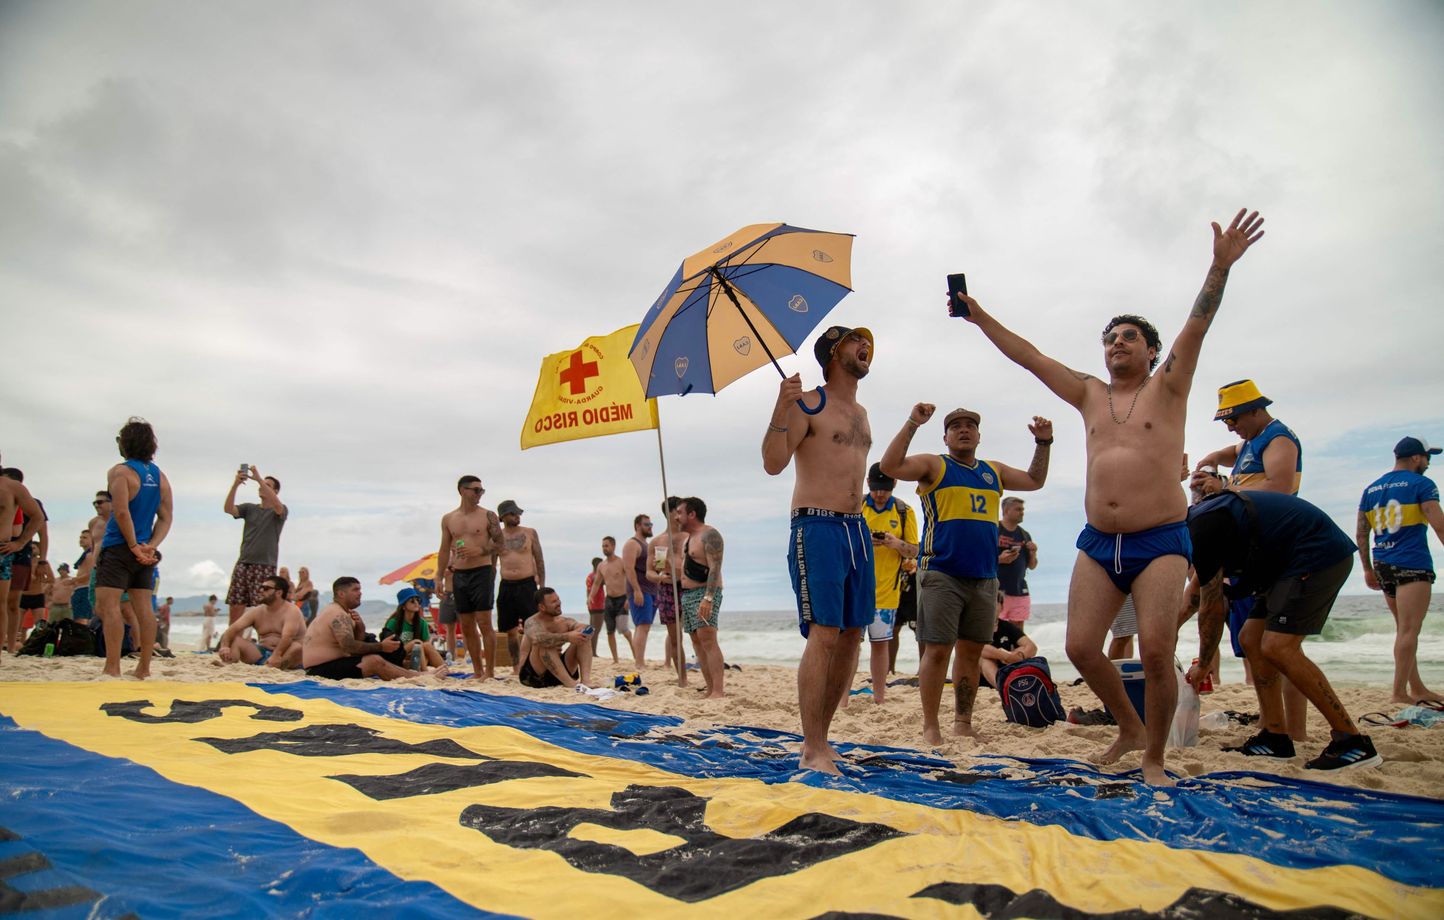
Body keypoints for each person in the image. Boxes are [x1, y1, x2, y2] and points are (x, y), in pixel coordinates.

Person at [960, 208, 1266, 784]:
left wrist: (1219, 267)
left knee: (1154, 648)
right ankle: (1127, 726)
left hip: (1160, 539)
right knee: (1080, 647)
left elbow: (1196, 326)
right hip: (1099, 541)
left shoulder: (1168, 386)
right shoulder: (1089, 393)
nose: (1116, 344)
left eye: (1128, 337)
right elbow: (1028, 355)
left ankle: (1153, 754)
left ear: (1150, 351)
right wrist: (978, 316)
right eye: (1109, 339)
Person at [881, 406, 1052, 744]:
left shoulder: (994, 471)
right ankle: (931, 726)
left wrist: (1043, 443)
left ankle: (963, 723)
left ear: (978, 435)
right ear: (945, 437)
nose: (963, 430)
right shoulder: (935, 465)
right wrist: (913, 423)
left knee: (971, 653)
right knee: (938, 651)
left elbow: (1035, 480)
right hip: (941, 573)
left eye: (970, 426)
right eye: (955, 426)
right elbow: (890, 467)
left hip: (985, 576)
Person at [1187, 489, 1380, 770]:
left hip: (1317, 555)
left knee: (1278, 646)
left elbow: (1211, 609)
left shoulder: (1200, 530)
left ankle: (1351, 740)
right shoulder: (1197, 522)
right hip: (1281, 569)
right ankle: (1275, 737)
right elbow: (1191, 601)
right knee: (1251, 639)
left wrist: (1204, 665)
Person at [762, 325, 875, 774]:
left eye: (868, 343)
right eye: (855, 342)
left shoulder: (862, 412)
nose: (865, 348)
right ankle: (811, 747)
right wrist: (781, 405)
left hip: (856, 528)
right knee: (825, 633)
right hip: (817, 525)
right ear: (832, 353)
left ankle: (824, 738)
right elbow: (773, 463)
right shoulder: (810, 402)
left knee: (852, 636)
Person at [1196, 379, 1308, 737]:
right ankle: (1271, 722)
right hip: (1259, 552)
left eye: (1234, 418)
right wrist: (1211, 461)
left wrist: (1226, 487)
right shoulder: (1248, 442)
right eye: (1225, 420)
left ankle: (1298, 731)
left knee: (1283, 647)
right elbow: (1227, 453)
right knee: (1255, 642)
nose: (1231, 426)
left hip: (1284, 548)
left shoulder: (1279, 439)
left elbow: (1279, 486)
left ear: (1257, 410)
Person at [1358, 437, 1444, 704]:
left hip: (1383, 562)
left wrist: (1367, 569)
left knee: (1404, 630)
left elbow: (1362, 533)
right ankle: (1398, 693)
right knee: (1409, 631)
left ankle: (1416, 688)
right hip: (1412, 562)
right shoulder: (1422, 484)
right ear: (1416, 457)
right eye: (1427, 457)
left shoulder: (1372, 488)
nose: (1428, 463)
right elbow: (1439, 525)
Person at [94, 417, 174, 679]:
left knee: (109, 607)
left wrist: (133, 546)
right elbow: (166, 517)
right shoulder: (159, 475)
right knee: (144, 610)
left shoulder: (120, 472)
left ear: (125, 443)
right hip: (144, 551)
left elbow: (120, 512)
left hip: (119, 547)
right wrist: (150, 546)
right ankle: (144, 668)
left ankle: (113, 667)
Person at [856, 462, 919, 704]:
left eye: (885, 488)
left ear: (894, 484)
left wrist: (895, 543)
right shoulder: (856, 506)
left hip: (888, 592)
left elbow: (914, 550)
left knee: (880, 644)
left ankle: (879, 697)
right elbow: (841, 542)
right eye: (875, 488)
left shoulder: (904, 511)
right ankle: (842, 698)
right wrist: (865, 541)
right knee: (850, 645)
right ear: (868, 484)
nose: (880, 494)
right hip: (857, 589)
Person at [435, 475, 503, 679]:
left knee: (484, 621)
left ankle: (489, 672)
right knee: (465, 624)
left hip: (481, 571)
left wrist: (481, 550)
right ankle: (477, 670)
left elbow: (500, 543)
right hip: (460, 573)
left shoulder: (488, 515)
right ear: (462, 490)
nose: (479, 494)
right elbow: (444, 549)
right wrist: (438, 576)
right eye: (476, 490)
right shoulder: (449, 519)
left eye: (482, 490)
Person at [302, 576, 416, 680]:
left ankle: (410, 672)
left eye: (360, 589)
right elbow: (349, 646)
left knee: (376, 656)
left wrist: (360, 628)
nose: (360, 593)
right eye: (355, 590)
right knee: (373, 661)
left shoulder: (343, 613)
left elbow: (355, 646)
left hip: (329, 665)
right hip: (318, 670)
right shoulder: (336, 613)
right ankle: (416, 677)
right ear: (341, 594)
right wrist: (382, 646)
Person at [673, 497, 725, 698]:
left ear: (692, 514)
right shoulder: (687, 539)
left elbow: (715, 567)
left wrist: (709, 598)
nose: (676, 517)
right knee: (696, 641)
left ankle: (718, 691)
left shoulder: (710, 535)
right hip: (687, 594)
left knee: (708, 639)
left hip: (705, 593)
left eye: (679, 512)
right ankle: (710, 688)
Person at [223, 466, 288, 625]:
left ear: (276, 492)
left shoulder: (279, 511)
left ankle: (263, 643)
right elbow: (228, 509)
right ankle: (232, 643)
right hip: (244, 562)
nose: (261, 487)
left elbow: (279, 508)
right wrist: (235, 485)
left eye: (268, 485)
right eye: (261, 485)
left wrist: (259, 478)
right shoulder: (249, 508)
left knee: (263, 606)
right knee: (236, 603)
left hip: (264, 564)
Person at [1, 468, 49, 653]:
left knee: (9, 603)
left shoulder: (13, 489)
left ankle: (10, 647)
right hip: (10, 550)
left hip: (9, 551)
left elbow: (40, 523)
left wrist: (21, 543)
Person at [495, 499, 545, 674]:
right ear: (503, 516)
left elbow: (539, 559)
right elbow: (492, 563)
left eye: (518, 513)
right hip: (506, 585)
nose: (517, 516)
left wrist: (542, 588)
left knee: (532, 627)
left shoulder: (530, 533)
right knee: (510, 631)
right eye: (513, 513)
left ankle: (531, 664)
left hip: (527, 584)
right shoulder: (497, 536)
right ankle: (516, 667)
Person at [215, 575, 304, 669]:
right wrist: (224, 646)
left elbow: (288, 637)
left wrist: (276, 655)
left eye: (266, 588)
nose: (261, 591)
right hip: (262, 654)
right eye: (260, 587)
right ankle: (228, 664)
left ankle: (275, 667)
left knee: (297, 647)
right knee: (236, 640)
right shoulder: (256, 611)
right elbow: (232, 629)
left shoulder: (292, 611)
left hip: (286, 656)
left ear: (278, 593)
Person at [645, 496, 688, 683]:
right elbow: (649, 572)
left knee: (698, 635)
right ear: (669, 513)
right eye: (677, 511)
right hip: (667, 588)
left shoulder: (689, 536)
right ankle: (683, 679)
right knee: (674, 638)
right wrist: (659, 576)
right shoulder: (657, 541)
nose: (679, 515)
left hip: (687, 586)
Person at [518, 586, 593, 689]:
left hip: (560, 673)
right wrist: (567, 636)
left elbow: (584, 627)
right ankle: (571, 684)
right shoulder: (532, 622)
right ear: (542, 607)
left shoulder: (564, 622)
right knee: (544, 643)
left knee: (584, 638)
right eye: (554, 602)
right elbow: (538, 638)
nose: (558, 603)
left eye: (558, 599)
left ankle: (586, 681)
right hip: (535, 674)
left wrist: (581, 633)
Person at [980, 591, 1040, 689]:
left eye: (995, 602)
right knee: (985, 659)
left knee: (1021, 650)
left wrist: (1020, 655)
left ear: (1002, 606)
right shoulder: (976, 626)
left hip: (1006, 671)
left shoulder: (1006, 626)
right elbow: (979, 648)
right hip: (981, 675)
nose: (992, 606)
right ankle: (1001, 687)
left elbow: (1032, 647)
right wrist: (1005, 656)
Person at [622, 512, 657, 668]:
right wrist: (636, 590)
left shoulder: (647, 545)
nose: (650, 527)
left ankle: (640, 661)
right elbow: (628, 568)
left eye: (651, 524)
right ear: (638, 526)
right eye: (647, 524)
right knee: (642, 626)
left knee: (645, 626)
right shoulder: (632, 544)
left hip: (652, 590)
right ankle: (639, 662)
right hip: (640, 590)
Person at [381, 586, 444, 671]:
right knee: (416, 642)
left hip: (416, 657)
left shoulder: (422, 623)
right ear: (403, 606)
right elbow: (388, 648)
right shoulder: (393, 623)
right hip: (397, 655)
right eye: (412, 601)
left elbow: (426, 646)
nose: (416, 603)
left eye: (418, 600)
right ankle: (425, 672)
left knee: (426, 645)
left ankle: (445, 669)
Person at [997, 498, 1038, 622]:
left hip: (1019, 588)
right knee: (994, 631)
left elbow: (1032, 566)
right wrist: (999, 559)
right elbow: (979, 558)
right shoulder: (994, 529)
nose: (1022, 512)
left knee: (1018, 630)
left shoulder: (1024, 534)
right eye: (1018, 509)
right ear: (1006, 511)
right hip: (996, 589)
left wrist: (1033, 553)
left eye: (1023, 509)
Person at [595, 537, 634, 663]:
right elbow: (597, 583)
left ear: (613, 546)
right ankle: (615, 659)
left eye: (606, 545)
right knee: (609, 631)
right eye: (603, 546)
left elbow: (630, 580)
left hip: (622, 599)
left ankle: (636, 655)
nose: (604, 548)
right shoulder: (601, 565)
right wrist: (590, 597)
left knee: (623, 629)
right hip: (609, 600)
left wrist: (629, 598)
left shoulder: (621, 562)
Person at [584, 556, 605, 653]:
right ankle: (593, 652)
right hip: (598, 604)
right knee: (596, 630)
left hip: (591, 604)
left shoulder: (589, 576)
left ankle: (589, 649)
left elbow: (588, 591)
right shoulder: (597, 576)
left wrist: (588, 600)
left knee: (591, 628)